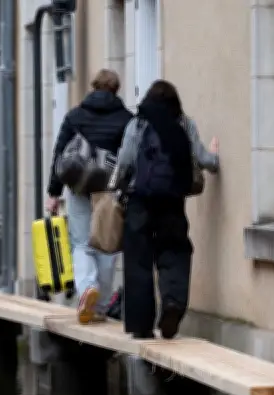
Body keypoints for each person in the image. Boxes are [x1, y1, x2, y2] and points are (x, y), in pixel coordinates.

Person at [115, 80, 220, 339]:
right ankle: (172, 303)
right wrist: (215, 157)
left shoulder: (137, 124)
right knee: (174, 251)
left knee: (138, 260)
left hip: (139, 200)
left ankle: (141, 325)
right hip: (172, 201)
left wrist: (117, 188)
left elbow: (125, 161)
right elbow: (204, 159)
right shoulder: (184, 123)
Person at [46, 69, 132, 324]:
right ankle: (101, 305)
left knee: (82, 243)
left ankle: (87, 291)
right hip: (110, 190)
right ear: (115, 90)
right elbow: (129, 158)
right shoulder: (126, 119)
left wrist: (53, 192)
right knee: (106, 246)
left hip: (79, 188)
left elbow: (59, 155)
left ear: (93, 87)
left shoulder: (75, 116)